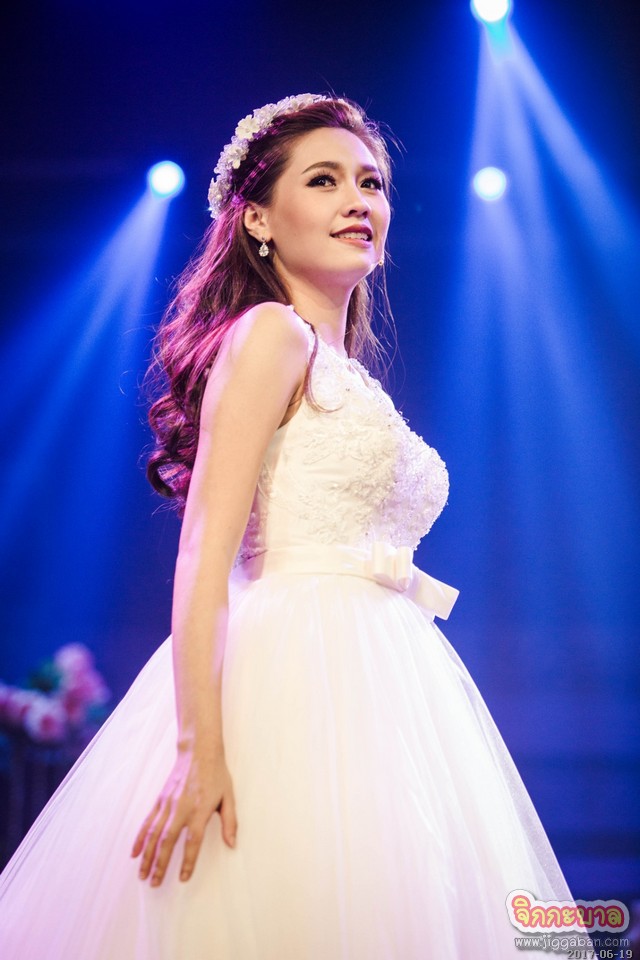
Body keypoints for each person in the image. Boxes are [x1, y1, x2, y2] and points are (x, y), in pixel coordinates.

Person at [0, 93, 596, 959]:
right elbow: (204, 548)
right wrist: (199, 747)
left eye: (372, 182)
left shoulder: (341, 365)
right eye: (325, 181)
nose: (359, 200)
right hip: (293, 670)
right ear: (258, 219)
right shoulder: (272, 335)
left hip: (384, 678)